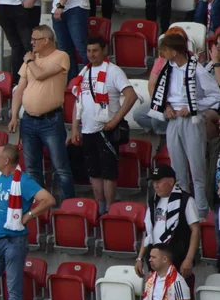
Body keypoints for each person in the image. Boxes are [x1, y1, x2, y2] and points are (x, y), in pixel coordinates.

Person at [0, 144, 56, 300]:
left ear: (6, 160)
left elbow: (49, 199)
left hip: (13, 242)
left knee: (13, 289)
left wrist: (29, 215)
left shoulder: (24, 181)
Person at [141, 33, 219, 216]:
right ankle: (185, 211)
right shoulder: (168, 68)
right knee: (178, 169)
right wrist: (166, 106)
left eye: (165, 50)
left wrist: (193, 107)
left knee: (197, 169)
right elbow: (162, 92)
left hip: (191, 121)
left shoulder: (196, 69)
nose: (161, 53)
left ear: (174, 52)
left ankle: (201, 211)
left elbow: (216, 94)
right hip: (173, 120)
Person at [68, 36, 137, 216]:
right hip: (87, 129)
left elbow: (131, 96)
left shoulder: (114, 71)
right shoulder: (83, 72)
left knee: (108, 172)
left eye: (95, 50)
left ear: (104, 50)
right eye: (89, 51)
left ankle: (110, 208)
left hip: (107, 130)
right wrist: (75, 128)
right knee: (94, 171)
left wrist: (115, 121)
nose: (91, 54)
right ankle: (100, 207)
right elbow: (78, 101)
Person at [9, 24, 73, 200]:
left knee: (60, 168)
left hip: (51, 120)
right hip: (28, 120)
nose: (31, 43)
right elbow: (20, 90)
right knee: (32, 168)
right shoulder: (32, 59)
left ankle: (67, 207)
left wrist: (29, 61)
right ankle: (39, 207)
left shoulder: (61, 56)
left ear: (46, 40)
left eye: (34, 39)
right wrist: (14, 115)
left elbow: (41, 75)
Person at [138, 165, 200, 280]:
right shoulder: (153, 201)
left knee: (179, 297)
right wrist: (140, 257)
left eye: (159, 181)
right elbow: (147, 231)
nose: (155, 185)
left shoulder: (186, 200)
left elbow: (195, 230)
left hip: (177, 260)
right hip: (155, 260)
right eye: (154, 182)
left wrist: (189, 259)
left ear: (171, 181)